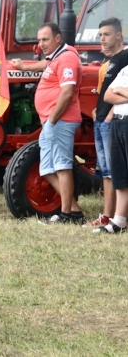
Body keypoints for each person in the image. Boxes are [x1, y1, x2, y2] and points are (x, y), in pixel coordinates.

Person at [11, 23, 84, 224]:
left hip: (60, 121)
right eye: (39, 39)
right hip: (50, 122)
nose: (41, 44)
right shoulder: (56, 57)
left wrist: (52, 120)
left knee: (62, 166)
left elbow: (68, 92)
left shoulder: (67, 57)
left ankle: (67, 215)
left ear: (58, 39)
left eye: (45, 39)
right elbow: (46, 65)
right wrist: (25, 66)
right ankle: (75, 211)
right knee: (47, 168)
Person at [86, 18, 128, 227]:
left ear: (119, 35)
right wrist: (98, 110)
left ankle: (118, 217)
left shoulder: (125, 57)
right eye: (100, 34)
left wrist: (112, 111)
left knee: (116, 169)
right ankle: (107, 215)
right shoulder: (110, 61)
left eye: (107, 34)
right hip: (100, 119)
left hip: (114, 121)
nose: (102, 38)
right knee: (105, 170)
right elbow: (108, 90)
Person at [100, 61, 128, 233]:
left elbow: (115, 92)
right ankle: (119, 221)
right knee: (120, 173)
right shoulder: (125, 69)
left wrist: (120, 90)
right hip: (118, 122)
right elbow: (108, 96)